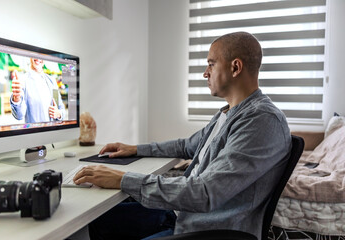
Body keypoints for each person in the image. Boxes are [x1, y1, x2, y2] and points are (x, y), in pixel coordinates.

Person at [74, 32, 292, 239]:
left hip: (206, 229)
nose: (206, 72)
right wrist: (135, 149)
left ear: (235, 67)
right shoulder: (227, 113)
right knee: (98, 220)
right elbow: (187, 146)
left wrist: (123, 179)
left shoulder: (261, 120)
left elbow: (205, 193)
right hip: (182, 213)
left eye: (211, 64)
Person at [10, 58, 65, 123]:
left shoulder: (51, 81)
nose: (38, 58)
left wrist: (59, 114)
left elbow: (60, 107)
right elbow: (19, 115)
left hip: (53, 131)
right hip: (35, 132)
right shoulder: (23, 81)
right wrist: (16, 98)